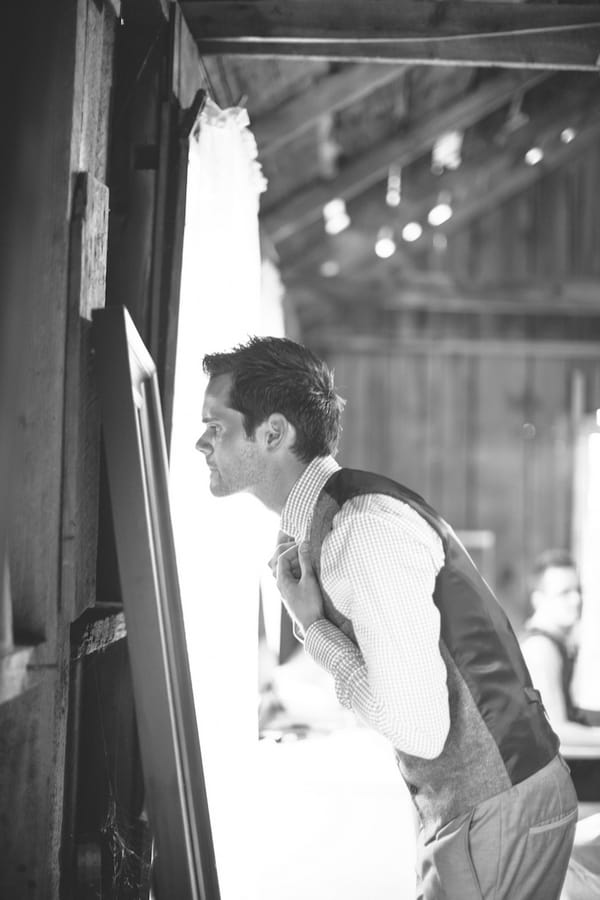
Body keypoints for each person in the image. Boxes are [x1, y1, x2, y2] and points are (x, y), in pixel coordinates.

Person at [196, 335, 577, 900]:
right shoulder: (340, 518)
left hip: (497, 806)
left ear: (273, 433)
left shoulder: (361, 531)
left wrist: (316, 631)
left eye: (215, 425)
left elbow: (419, 727)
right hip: (486, 803)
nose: (200, 442)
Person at [521, 549, 600, 750]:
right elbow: (555, 729)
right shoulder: (540, 649)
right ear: (538, 600)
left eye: (578, 590)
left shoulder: (554, 644)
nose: (576, 600)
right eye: (564, 593)